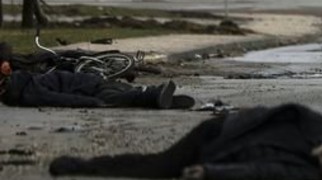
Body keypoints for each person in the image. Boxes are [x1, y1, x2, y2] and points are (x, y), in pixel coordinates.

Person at [48, 103, 322, 180]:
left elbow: (260, 171)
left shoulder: (310, 174)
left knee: (159, 167)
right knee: (158, 167)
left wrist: (210, 173)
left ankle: (83, 166)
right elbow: (292, 110)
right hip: (222, 131)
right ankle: (82, 166)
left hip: (219, 151)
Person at [0, 46, 193, 109]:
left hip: (86, 87)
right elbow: (59, 98)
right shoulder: (26, 84)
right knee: (120, 93)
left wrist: (91, 102)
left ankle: (153, 96)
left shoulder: (26, 90)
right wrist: (92, 102)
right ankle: (157, 98)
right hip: (86, 83)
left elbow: (60, 98)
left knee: (114, 97)